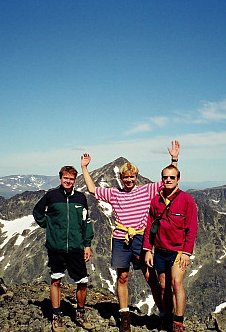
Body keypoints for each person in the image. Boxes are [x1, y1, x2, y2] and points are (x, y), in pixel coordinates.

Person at [80, 141, 180, 332]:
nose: (129, 180)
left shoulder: (146, 190)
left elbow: (169, 181)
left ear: (136, 177)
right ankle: (124, 316)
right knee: (123, 276)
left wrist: (174, 159)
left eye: (132, 176)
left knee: (151, 278)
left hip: (141, 239)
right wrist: (84, 168)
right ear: (121, 178)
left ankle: (164, 315)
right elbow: (93, 190)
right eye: (126, 177)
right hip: (120, 238)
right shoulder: (114, 193)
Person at [33, 166, 95, 332]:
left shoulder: (81, 198)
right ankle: (56, 315)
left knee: (82, 282)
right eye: (65, 178)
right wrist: (49, 226)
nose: (68, 181)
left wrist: (87, 244)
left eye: (72, 179)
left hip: (76, 247)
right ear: (60, 178)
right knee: (56, 280)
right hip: (56, 247)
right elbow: (37, 212)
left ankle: (80, 313)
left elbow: (86, 221)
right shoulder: (51, 196)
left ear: (75, 180)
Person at [143, 165, 198, 332]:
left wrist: (187, 253)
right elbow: (149, 226)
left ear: (178, 180)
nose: (168, 180)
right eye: (165, 177)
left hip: (178, 251)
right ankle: (167, 318)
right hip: (160, 250)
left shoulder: (186, 199)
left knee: (176, 283)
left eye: (172, 177)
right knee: (163, 286)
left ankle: (178, 322)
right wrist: (147, 249)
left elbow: (192, 227)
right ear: (162, 179)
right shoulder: (156, 200)